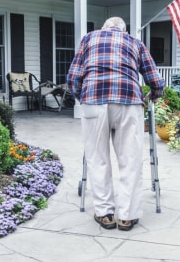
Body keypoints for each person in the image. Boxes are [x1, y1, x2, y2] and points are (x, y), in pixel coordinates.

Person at [67, 16, 165, 231]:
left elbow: (73, 77)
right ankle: (127, 216)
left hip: (94, 102)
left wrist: (83, 97)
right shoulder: (135, 42)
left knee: (97, 158)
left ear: (104, 27)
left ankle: (105, 214)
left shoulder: (88, 39)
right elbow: (155, 79)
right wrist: (154, 95)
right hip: (128, 102)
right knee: (130, 159)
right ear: (123, 30)